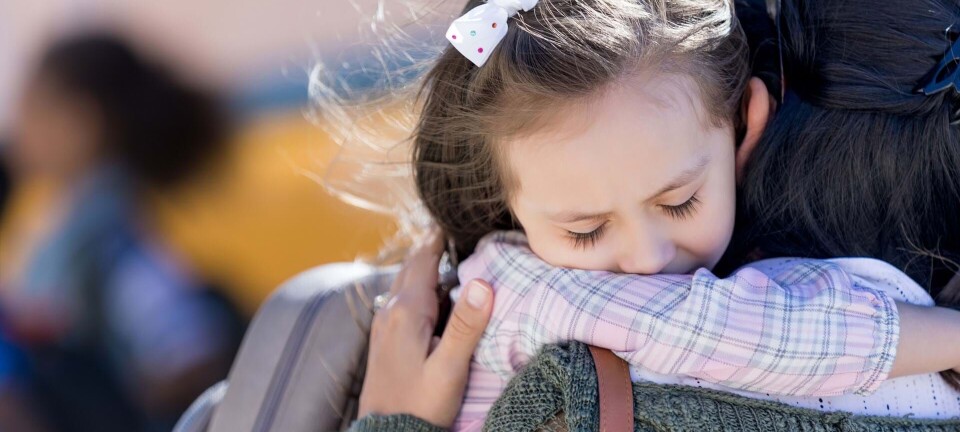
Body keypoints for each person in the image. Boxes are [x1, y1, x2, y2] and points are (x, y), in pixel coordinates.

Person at [348, 0, 960, 429]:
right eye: (584, 230)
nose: (646, 258)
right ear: (507, 203)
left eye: (678, 202)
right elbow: (746, 333)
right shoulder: (515, 291)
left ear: (743, 126)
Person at [0, 33, 243, 431]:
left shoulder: (105, 235)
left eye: (32, 107)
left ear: (81, 124)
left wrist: (120, 405)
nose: (18, 124)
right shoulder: (71, 221)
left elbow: (191, 348)